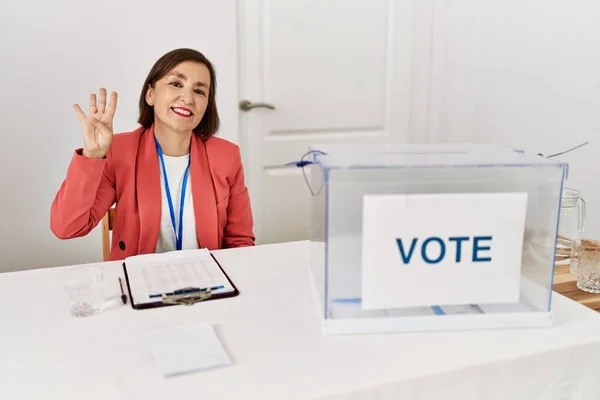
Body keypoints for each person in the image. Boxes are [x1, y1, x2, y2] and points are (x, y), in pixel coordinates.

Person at [50, 48, 255, 260]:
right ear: (150, 94)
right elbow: (67, 227)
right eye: (176, 84)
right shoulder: (120, 151)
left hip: (206, 284)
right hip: (140, 285)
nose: (187, 97)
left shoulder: (226, 156)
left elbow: (240, 242)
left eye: (200, 91)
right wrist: (92, 156)